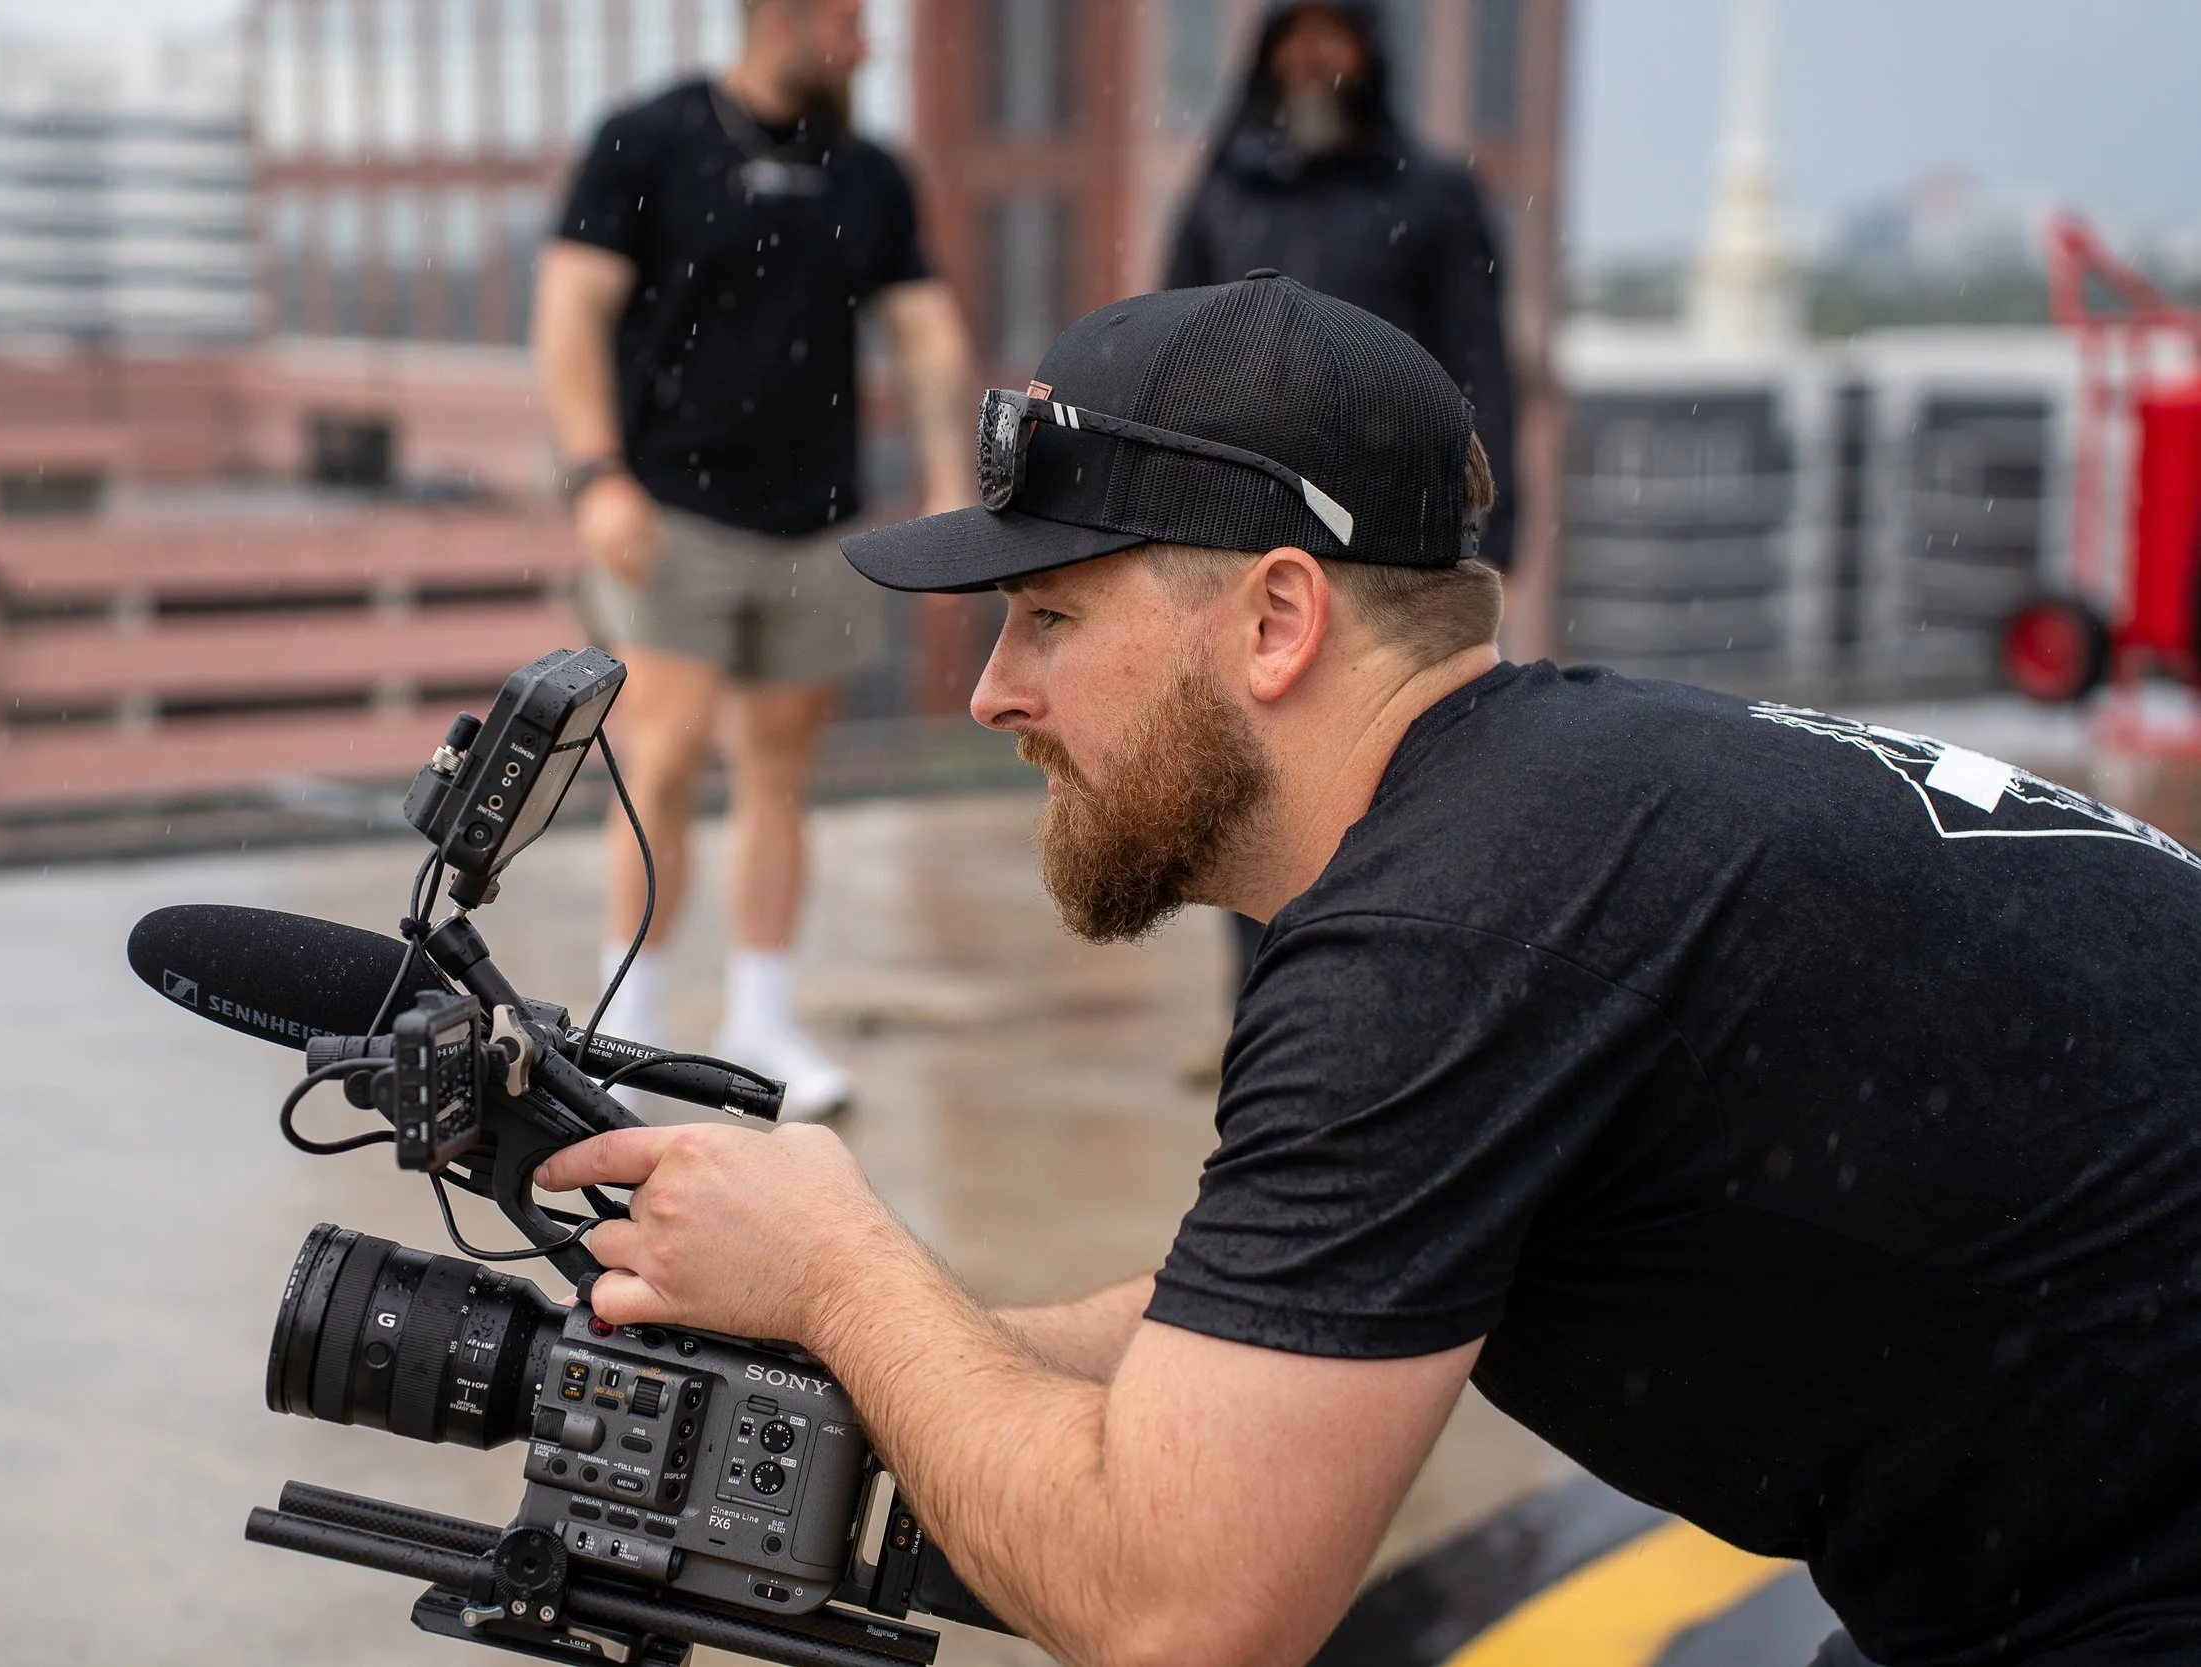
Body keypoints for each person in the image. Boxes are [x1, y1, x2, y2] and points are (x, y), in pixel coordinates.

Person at [536, 275, 2201, 1666]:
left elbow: (1180, 1609)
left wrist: (842, 1270)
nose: (990, 693)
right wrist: (901, 1349)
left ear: (1276, 620)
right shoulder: (1544, 807)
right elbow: (1290, 1302)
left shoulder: (1454, 925)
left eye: (1043, 614)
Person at [535, 0, 973, 1118]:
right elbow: (570, 311)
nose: (864, 44)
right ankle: (623, 1022)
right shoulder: (649, 137)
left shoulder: (868, 172)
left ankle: (760, 1021)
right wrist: (594, 476)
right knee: (665, 760)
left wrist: (948, 476)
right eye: (846, 21)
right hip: (669, 511)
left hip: (817, 520)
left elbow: (925, 328)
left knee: (780, 775)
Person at [1166, 1, 1522, 994]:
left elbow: (1479, 363)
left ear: (1367, 52)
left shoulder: (1436, 191)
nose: (1314, 56)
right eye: (1296, 35)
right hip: (1237, 525)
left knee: (1386, 761)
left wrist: (1501, 521)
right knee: (1247, 765)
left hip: (1391, 534)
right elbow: (1168, 342)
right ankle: (1269, 999)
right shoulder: (1225, 188)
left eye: (1335, 34)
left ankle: (1381, 986)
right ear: (1269, 52)